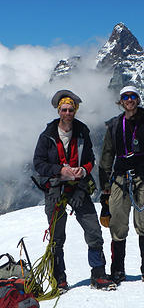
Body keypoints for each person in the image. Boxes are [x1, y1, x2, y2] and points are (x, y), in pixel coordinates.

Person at [33, 89, 115, 291]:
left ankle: (98, 274)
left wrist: (83, 171)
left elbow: (90, 161)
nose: (68, 113)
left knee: (94, 231)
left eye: (71, 110)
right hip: (55, 190)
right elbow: (39, 164)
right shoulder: (47, 136)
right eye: (64, 109)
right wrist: (59, 170)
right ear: (58, 111)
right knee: (56, 237)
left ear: (75, 110)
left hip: (78, 188)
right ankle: (59, 278)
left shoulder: (82, 132)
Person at [99, 85, 144, 285]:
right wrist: (105, 183)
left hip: (143, 178)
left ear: (137, 100)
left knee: (143, 225)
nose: (129, 100)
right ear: (121, 101)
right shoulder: (113, 126)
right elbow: (107, 155)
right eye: (125, 97)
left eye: (132, 97)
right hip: (120, 180)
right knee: (118, 226)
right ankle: (117, 271)